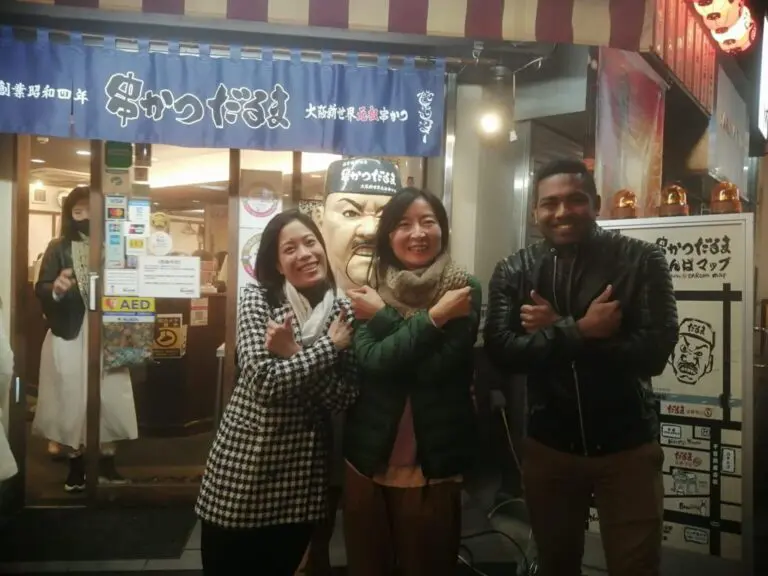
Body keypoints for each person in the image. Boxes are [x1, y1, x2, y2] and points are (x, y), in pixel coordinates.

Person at [484, 159, 678, 576]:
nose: (561, 212)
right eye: (549, 203)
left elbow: (654, 353)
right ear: (534, 211)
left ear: (597, 204)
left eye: (575, 200)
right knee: (556, 564)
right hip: (549, 447)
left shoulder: (641, 260)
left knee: (636, 567)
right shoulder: (513, 270)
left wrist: (552, 332)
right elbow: (501, 351)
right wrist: (581, 330)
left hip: (628, 446)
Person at [195, 209, 358, 576]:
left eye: (310, 242)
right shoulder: (258, 300)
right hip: (245, 465)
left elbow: (344, 396)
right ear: (278, 263)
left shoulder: (343, 309)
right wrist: (325, 350)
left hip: (300, 476)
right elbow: (264, 383)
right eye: (290, 248)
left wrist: (294, 353)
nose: (304, 253)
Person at [343, 187, 481, 575]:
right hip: (368, 458)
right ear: (389, 236)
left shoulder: (464, 290)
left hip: (433, 462)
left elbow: (439, 371)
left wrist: (386, 319)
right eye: (404, 224)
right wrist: (435, 318)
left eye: (428, 222)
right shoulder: (370, 286)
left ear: (443, 230)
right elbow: (371, 361)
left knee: (429, 566)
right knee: (369, 565)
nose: (417, 233)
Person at [297, 157, 400, 576]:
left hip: (383, 445)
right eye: (352, 212)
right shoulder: (295, 296)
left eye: (385, 215)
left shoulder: (412, 296)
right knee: (308, 531)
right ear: (321, 222)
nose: (371, 230)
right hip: (307, 443)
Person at [33, 186, 137, 492]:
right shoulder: (58, 246)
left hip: (110, 331)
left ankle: (107, 463)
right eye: (78, 212)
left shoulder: (117, 245)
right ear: (69, 215)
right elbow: (41, 286)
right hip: (70, 330)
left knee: (111, 395)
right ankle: (75, 465)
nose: (85, 217)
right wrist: (58, 287)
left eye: (91, 211)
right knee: (71, 396)